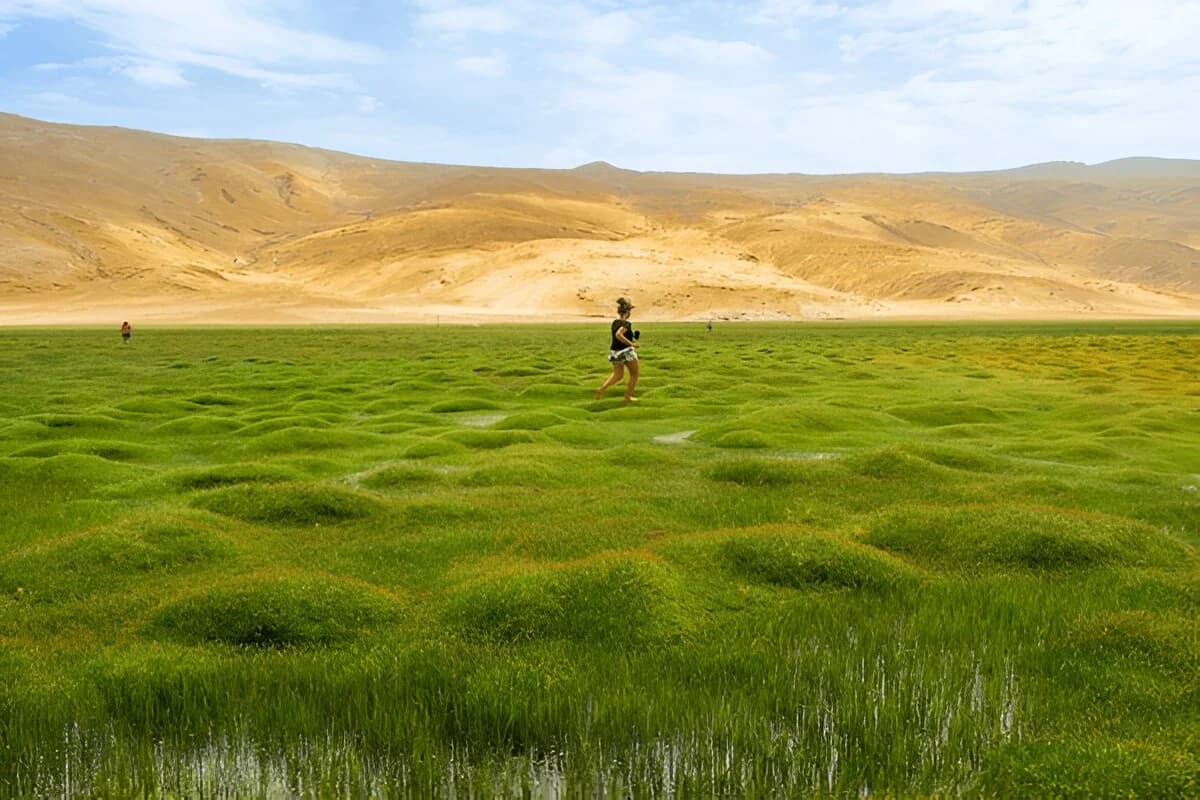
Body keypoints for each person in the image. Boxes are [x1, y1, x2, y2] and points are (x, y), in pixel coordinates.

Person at [595, 296, 640, 402]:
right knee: (634, 374)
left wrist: (631, 337)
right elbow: (618, 335)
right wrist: (632, 344)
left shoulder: (615, 322)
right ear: (627, 313)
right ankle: (628, 397)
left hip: (614, 352)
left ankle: (601, 388)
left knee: (618, 375)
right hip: (626, 352)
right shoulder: (626, 324)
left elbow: (619, 334)